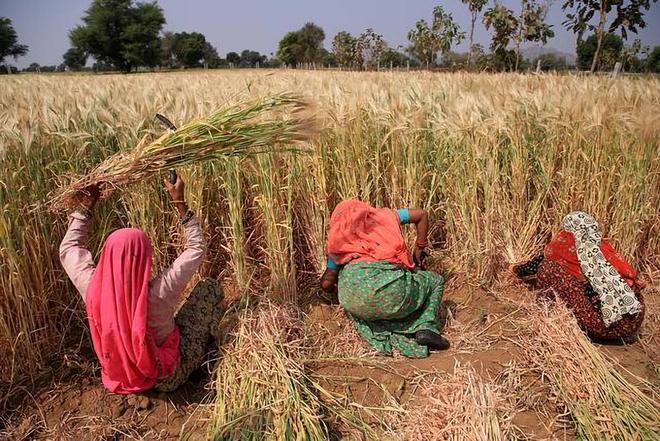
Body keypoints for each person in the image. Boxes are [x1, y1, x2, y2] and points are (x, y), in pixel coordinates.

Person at [59, 176, 222, 394]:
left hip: (120, 377)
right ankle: (209, 357)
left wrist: (87, 206)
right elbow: (196, 249)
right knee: (208, 288)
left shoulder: (91, 288)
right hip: (165, 376)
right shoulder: (158, 294)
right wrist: (180, 204)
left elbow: (69, 248)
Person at [320, 199, 448, 358]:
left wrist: (337, 289)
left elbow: (326, 282)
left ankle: (378, 317)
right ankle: (426, 327)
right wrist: (420, 247)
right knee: (435, 281)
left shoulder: (339, 241)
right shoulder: (384, 217)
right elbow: (421, 214)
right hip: (391, 292)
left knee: (368, 301)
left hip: (352, 299)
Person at [514, 211, 645, 342]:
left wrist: (514, 269)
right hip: (633, 321)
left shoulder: (564, 242)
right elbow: (632, 277)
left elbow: (532, 267)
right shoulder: (602, 246)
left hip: (604, 326)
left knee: (547, 267)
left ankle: (547, 311)